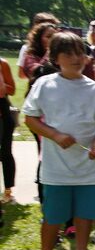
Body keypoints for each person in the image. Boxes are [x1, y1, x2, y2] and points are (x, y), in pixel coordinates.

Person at [22, 32, 95, 250]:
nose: (75, 58)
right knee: (52, 217)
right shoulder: (45, 84)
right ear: (55, 58)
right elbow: (29, 119)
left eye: (79, 53)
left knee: (84, 216)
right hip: (55, 169)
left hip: (88, 167)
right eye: (68, 54)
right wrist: (54, 135)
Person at [17, 13, 60, 80]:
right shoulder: (28, 52)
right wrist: (49, 52)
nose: (52, 39)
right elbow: (34, 74)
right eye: (49, 36)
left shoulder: (61, 52)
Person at [0, 57, 17, 204]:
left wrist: (3, 85)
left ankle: (8, 190)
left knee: (5, 153)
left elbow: (12, 90)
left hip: (2, 115)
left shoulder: (2, 64)